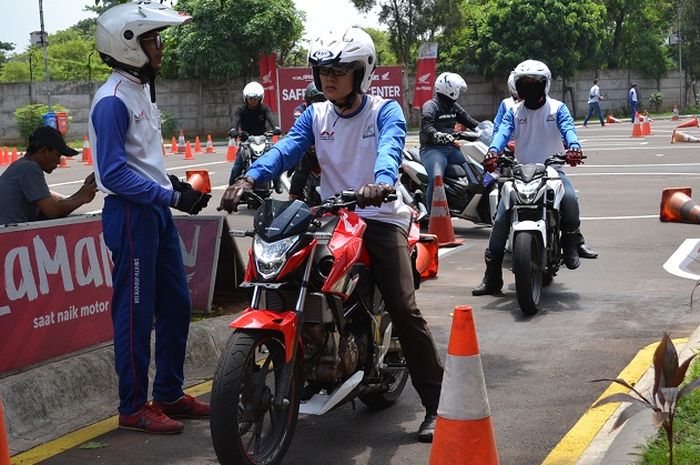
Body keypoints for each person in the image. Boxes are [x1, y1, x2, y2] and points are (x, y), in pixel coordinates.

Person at [220, 26, 444, 443]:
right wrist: (247, 179)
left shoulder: (384, 111)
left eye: (341, 69)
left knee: (403, 309)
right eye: (323, 69)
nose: (329, 77)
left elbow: (390, 148)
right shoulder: (315, 114)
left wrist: (379, 181)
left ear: (363, 72)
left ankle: (437, 404)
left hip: (380, 215)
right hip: (330, 214)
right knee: (280, 278)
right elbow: (285, 149)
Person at [90, 1, 211, 435]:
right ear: (128, 45)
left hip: (153, 211)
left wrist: (172, 187)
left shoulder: (139, 90)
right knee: (136, 312)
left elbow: (141, 161)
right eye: (152, 39)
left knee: (177, 303)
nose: (160, 48)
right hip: (130, 215)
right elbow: (113, 172)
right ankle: (133, 406)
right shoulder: (113, 100)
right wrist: (168, 196)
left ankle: (169, 393)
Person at [473, 59, 594, 296]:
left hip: (553, 172)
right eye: (524, 84)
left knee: (570, 199)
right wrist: (492, 152)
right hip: (521, 172)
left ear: (545, 85)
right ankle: (492, 275)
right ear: (517, 87)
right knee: (500, 219)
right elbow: (501, 134)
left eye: (534, 83)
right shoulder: (513, 111)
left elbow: (569, 129)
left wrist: (574, 148)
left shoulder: (557, 108)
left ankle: (570, 242)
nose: (529, 88)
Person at [0, 126, 97, 225]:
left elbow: (52, 205)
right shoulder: (29, 168)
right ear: (44, 151)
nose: (59, 161)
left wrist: (81, 194)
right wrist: (82, 197)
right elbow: (52, 211)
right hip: (10, 236)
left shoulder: (20, 165)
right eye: (58, 155)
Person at [419, 72, 480, 214]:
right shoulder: (431, 105)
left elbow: (470, 121)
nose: (459, 92)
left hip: (451, 148)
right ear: (450, 89)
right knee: (436, 179)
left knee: (476, 168)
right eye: (458, 89)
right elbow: (426, 125)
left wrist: (485, 130)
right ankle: (430, 214)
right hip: (433, 149)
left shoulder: (453, 106)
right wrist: (437, 135)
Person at [227, 81, 282, 187]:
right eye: (250, 99)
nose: (252, 101)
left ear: (260, 98)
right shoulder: (240, 110)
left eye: (255, 99)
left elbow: (271, 118)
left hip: (263, 140)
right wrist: (233, 130)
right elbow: (235, 121)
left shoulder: (264, 109)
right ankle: (231, 191)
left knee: (274, 160)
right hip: (246, 142)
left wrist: (276, 128)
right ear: (246, 99)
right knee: (236, 167)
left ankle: (277, 181)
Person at [289, 82, 326, 202]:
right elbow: (298, 121)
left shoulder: (332, 111)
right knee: (301, 171)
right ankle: (294, 197)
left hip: (327, 148)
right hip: (309, 148)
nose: (320, 103)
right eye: (316, 100)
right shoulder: (301, 111)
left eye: (322, 99)